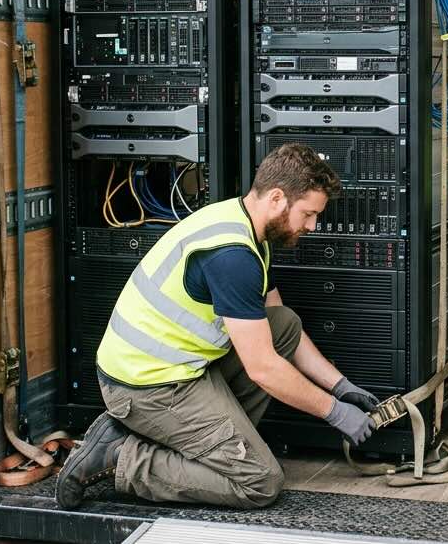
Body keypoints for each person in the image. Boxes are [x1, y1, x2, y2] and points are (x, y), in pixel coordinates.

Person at [56, 144, 380, 510]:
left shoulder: (245, 226)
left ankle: (204, 445)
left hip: (179, 371)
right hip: (147, 387)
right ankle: (121, 457)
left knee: (284, 325)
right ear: (277, 198)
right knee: (260, 482)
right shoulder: (232, 257)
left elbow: (279, 325)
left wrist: (341, 387)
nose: (312, 226)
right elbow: (263, 368)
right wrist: (333, 412)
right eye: (308, 213)